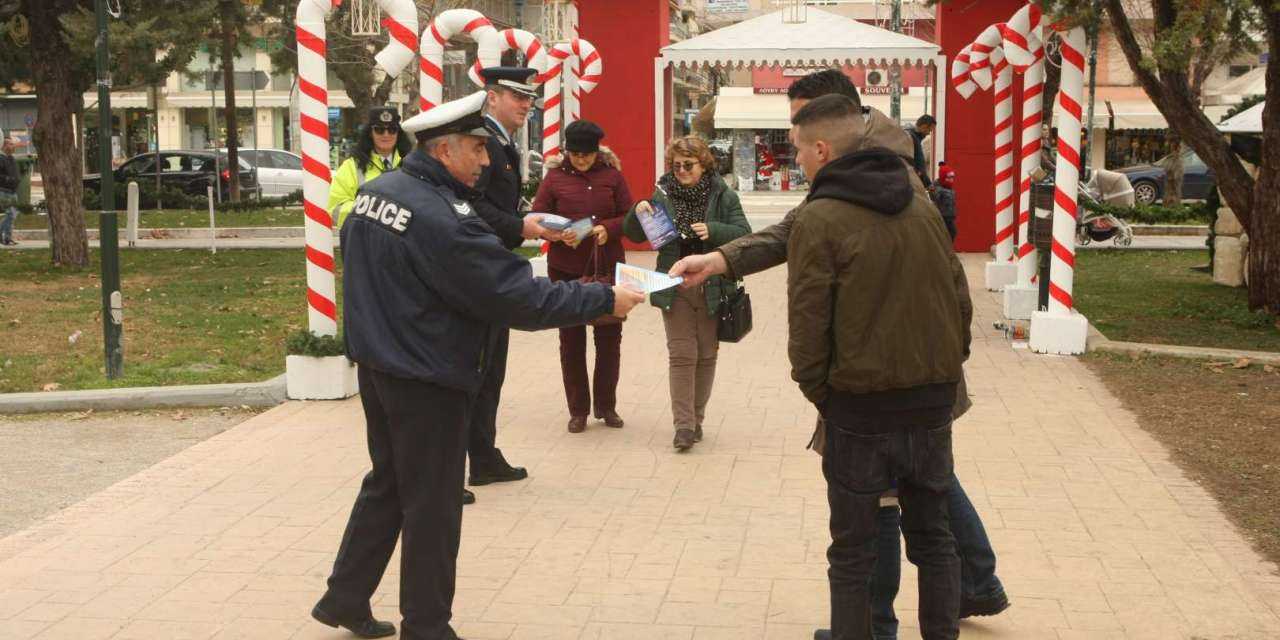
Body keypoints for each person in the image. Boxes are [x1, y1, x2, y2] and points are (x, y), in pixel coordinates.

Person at [669, 69, 1008, 640]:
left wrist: (824, 391)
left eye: (799, 135)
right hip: (924, 384)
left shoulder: (862, 184)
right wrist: (724, 259)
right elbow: (958, 291)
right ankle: (951, 596)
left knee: (872, 528)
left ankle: (881, 622)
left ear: (826, 132)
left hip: (872, 391)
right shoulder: (894, 184)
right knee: (929, 515)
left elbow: (808, 316)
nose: (794, 148)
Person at [311, 91, 645, 640]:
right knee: (434, 506)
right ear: (444, 151)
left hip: (380, 366)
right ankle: (427, 625)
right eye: (477, 149)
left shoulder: (379, 193)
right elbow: (517, 298)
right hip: (428, 377)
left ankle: (344, 596)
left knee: (390, 482)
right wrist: (602, 299)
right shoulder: (442, 218)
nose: (486, 161)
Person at [788, 93, 971, 640]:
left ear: (822, 150)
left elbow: (807, 328)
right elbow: (959, 301)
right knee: (934, 539)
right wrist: (944, 372)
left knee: (852, 551)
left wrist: (823, 393)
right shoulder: (923, 206)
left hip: (859, 410)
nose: (796, 161)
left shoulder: (819, 218)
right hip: (932, 400)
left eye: (798, 151)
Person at [465, 66, 560, 494]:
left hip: (492, 264)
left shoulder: (501, 142)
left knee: (489, 371)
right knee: (474, 370)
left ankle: (484, 456)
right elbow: (471, 208)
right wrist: (522, 227)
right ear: (492, 97)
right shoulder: (481, 141)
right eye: (518, 97)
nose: (527, 105)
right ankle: (458, 465)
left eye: (530, 98)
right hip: (477, 269)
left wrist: (524, 220)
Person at [623, 136, 750, 451]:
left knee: (706, 355)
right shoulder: (662, 193)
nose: (681, 170)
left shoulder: (723, 195)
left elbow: (746, 236)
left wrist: (715, 230)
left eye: (688, 165)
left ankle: (696, 419)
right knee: (682, 355)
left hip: (712, 285)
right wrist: (637, 210)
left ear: (703, 164)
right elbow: (636, 233)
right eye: (676, 164)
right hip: (674, 284)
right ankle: (683, 427)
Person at [531, 120, 633, 433]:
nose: (581, 161)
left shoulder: (612, 176)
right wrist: (558, 234)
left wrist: (608, 228)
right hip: (566, 269)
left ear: (597, 153)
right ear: (567, 152)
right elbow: (537, 215)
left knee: (608, 338)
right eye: (575, 155)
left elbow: (629, 216)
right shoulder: (554, 178)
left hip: (606, 267)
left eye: (587, 156)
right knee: (571, 341)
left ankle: (607, 406)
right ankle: (578, 410)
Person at [329, 107, 414, 228]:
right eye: (379, 130)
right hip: (364, 239)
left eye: (392, 129)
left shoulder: (411, 165)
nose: (386, 134)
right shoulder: (352, 167)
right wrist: (374, 209)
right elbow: (335, 210)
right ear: (370, 133)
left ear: (398, 133)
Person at [905, 114, 935, 188]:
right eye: (929, 130)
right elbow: (918, 163)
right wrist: (928, 184)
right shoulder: (911, 138)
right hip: (910, 183)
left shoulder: (913, 137)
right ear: (924, 126)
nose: (929, 133)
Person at [0, 138, 20, 246]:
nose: (14, 146)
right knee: (10, 214)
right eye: (11, 144)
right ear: (4, 146)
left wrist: (17, 180)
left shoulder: (11, 158)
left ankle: (8, 238)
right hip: (4, 191)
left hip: (13, 191)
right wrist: (8, 179)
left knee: (13, 215)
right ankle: (5, 236)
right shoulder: (1, 158)